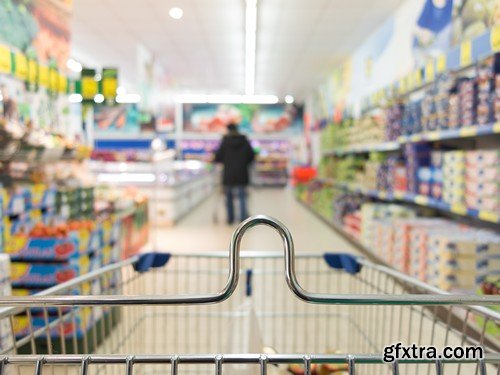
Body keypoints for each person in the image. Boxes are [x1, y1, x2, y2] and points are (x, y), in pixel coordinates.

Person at [214, 123, 256, 224]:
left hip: (228, 174)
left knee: (228, 197)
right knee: (242, 197)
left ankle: (230, 218)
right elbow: (251, 156)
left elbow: (218, 157)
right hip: (242, 173)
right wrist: (243, 163)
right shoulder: (244, 140)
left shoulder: (225, 141)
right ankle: (242, 218)